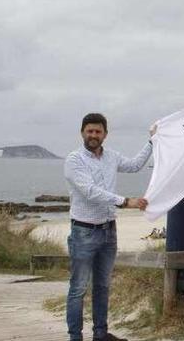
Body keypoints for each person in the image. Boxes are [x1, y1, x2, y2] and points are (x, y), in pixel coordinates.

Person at [63, 112, 153, 341]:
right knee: (78, 289)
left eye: (98, 131)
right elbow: (90, 192)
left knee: (102, 286)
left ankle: (100, 335)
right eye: (89, 131)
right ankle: (75, 337)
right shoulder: (74, 160)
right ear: (82, 132)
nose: (93, 135)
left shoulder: (111, 156)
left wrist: (153, 141)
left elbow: (134, 166)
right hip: (83, 231)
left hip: (108, 231)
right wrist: (125, 201)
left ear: (105, 134)